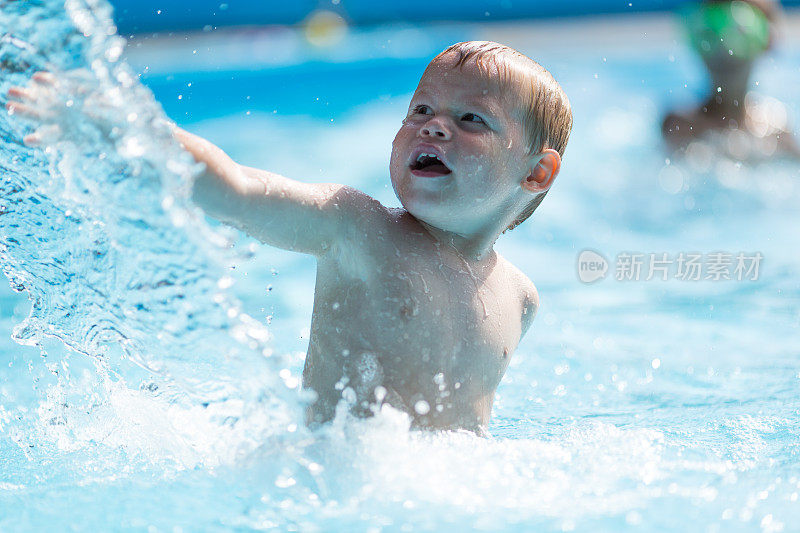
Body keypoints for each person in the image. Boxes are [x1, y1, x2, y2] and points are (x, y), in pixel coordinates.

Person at [6, 41, 572, 434]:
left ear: (536, 172)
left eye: (473, 119)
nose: (434, 124)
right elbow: (238, 189)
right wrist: (123, 129)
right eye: (420, 108)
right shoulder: (358, 228)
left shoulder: (519, 298)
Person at [662, 0, 800, 159]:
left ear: (767, 41)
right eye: (709, 34)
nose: (724, 51)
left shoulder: (777, 127)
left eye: (739, 34)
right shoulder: (680, 127)